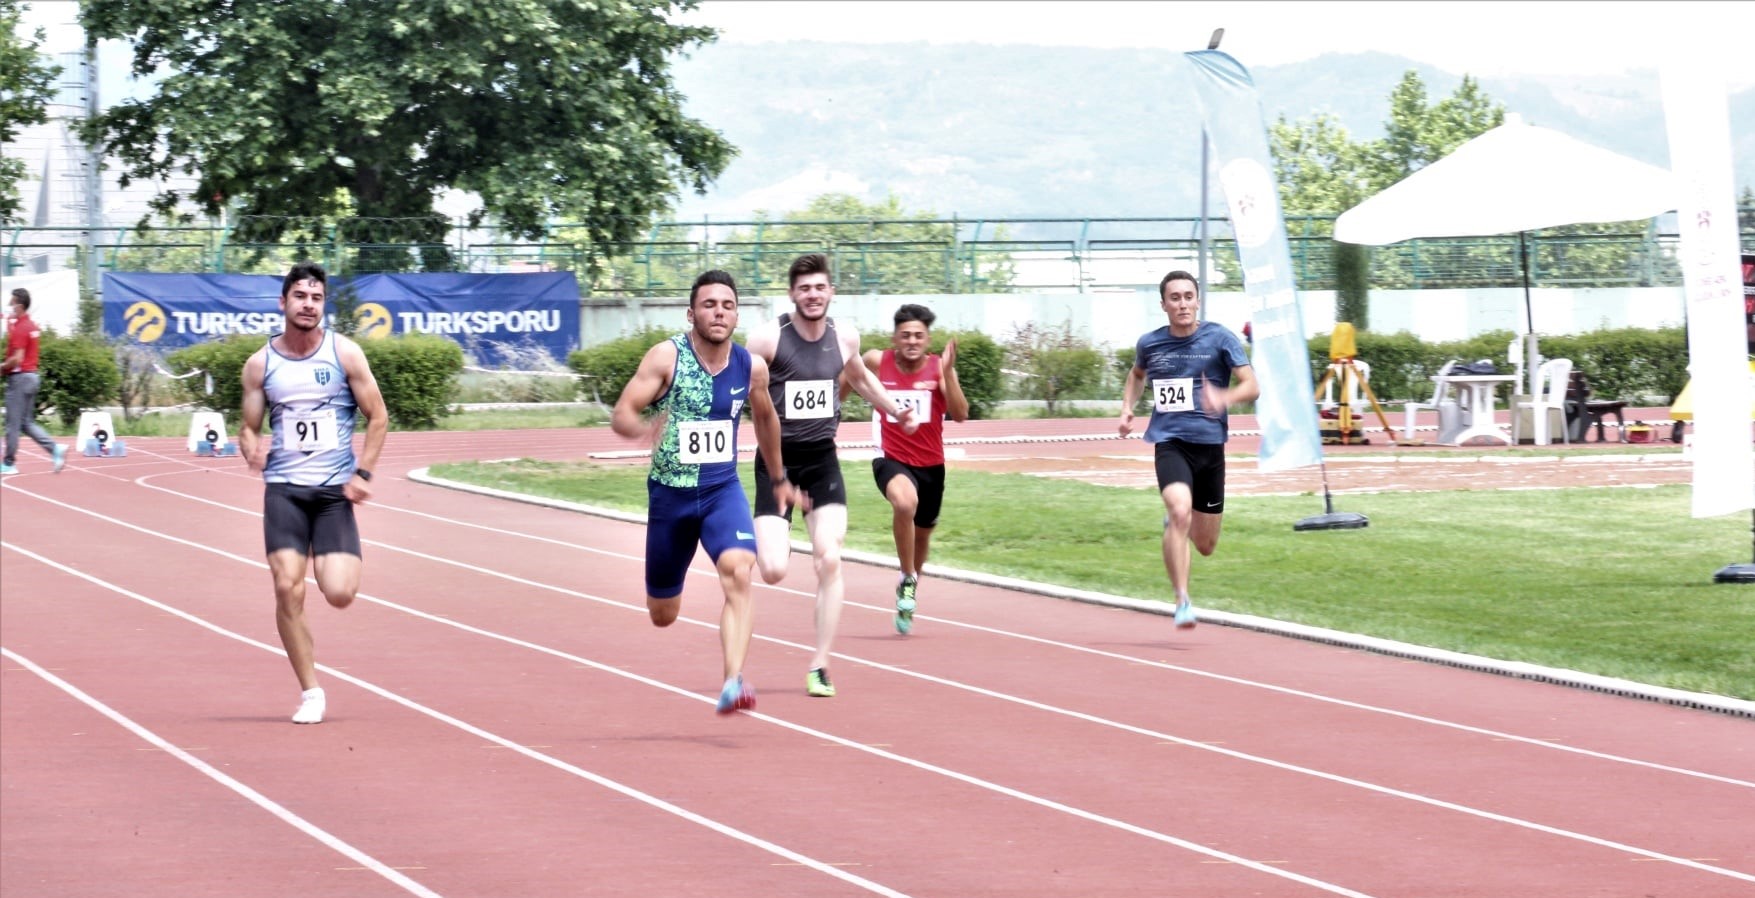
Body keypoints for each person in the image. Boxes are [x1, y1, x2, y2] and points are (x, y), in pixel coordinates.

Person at [611, 269, 799, 715]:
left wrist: (778, 477)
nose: (719, 312)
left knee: (739, 569)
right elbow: (623, 412)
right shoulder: (665, 358)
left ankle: (733, 680)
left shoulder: (750, 366)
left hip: (721, 491)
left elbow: (767, 419)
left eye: (728, 305)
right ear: (691, 312)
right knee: (663, 614)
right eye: (710, 304)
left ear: (737, 315)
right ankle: (670, 599)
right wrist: (642, 428)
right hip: (670, 499)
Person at [745, 253, 916, 698]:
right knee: (774, 570)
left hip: (822, 461)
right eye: (804, 289)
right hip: (776, 464)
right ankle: (760, 539)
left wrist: (896, 411)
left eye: (820, 287)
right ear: (792, 295)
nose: (813, 295)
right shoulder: (766, 339)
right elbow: (733, 389)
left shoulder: (845, 337)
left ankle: (820, 664)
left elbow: (860, 380)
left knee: (830, 558)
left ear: (831, 292)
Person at [238, 262, 388, 724]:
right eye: (300, 296)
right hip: (283, 489)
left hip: (331, 494)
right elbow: (248, 427)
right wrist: (250, 448)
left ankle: (330, 576)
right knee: (286, 586)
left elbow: (378, 417)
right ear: (283, 302)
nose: (308, 304)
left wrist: (363, 473)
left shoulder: (345, 355)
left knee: (339, 593)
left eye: (317, 297)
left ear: (324, 304)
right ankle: (311, 692)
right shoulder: (260, 364)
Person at [1117, 270, 1258, 629]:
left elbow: (1252, 385)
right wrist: (1127, 408)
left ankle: (1179, 521)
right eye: (1175, 298)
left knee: (1206, 544)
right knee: (1180, 511)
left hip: (1210, 449)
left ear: (1197, 300)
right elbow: (1136, 375)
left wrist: (1224, 396)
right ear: (1163, 304)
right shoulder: (1150, 344)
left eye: (1188, 296)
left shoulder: (1221, 339)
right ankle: (1182, 599)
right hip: (1171, 442)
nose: (1182, 304)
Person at [855, 303, 968, 634]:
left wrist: (947, 372)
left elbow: (961, 413)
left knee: (922, 536)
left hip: (932, 465)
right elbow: (853, 372)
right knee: (904, 503)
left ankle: (910, 585)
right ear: (895, 338)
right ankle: (906, 576)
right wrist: (834, 406)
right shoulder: (879, 360)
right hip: (890, 458)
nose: (912, 341)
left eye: (919, 335)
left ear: (928, 340)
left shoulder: (939, 368)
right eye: (905, 335)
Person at [2, 288, 68, 476]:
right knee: (26, 423)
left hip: (20, 379)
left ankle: (8, 463)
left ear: (20, 306)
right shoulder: (31, 326)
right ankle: (55, 449)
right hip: (32, 377)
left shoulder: (21, 328)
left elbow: (17, 358)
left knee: (12, 425)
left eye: (12, 303)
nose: (9, 306)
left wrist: (2, 367)